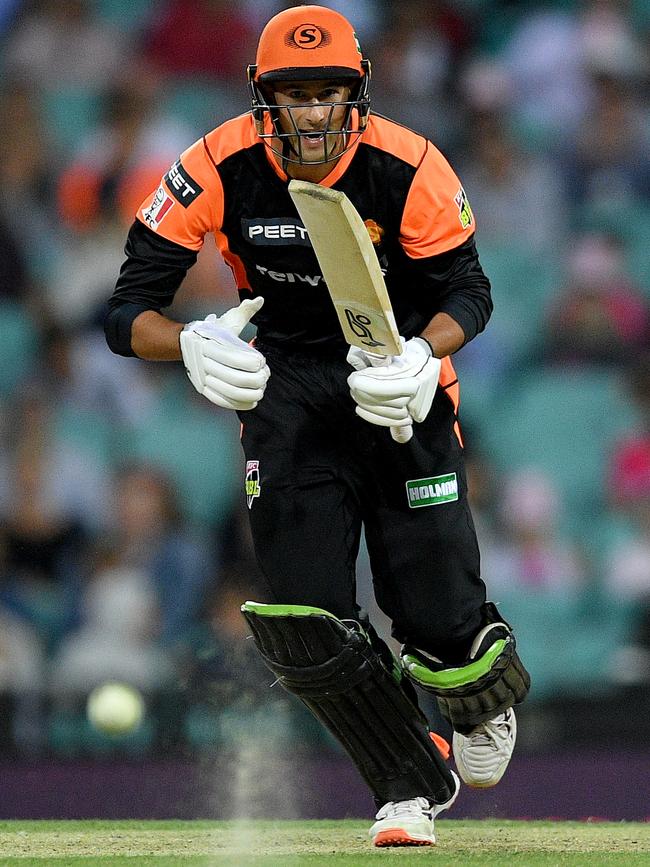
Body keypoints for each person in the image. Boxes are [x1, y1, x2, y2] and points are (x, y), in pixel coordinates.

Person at [105, 5, 530, 848]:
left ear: (355, 94)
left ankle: (480, 695)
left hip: (395, 378)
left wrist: (421, 354)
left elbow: (470, 293)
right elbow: (125, 311)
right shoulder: (216, 162)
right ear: (264, 98)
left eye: (327, 93)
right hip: (286, 387)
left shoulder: (408, 165)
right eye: (292, 95)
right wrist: (190, 343)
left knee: (435, 607)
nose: (310, 114)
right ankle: (408, 782)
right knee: (307, 620)